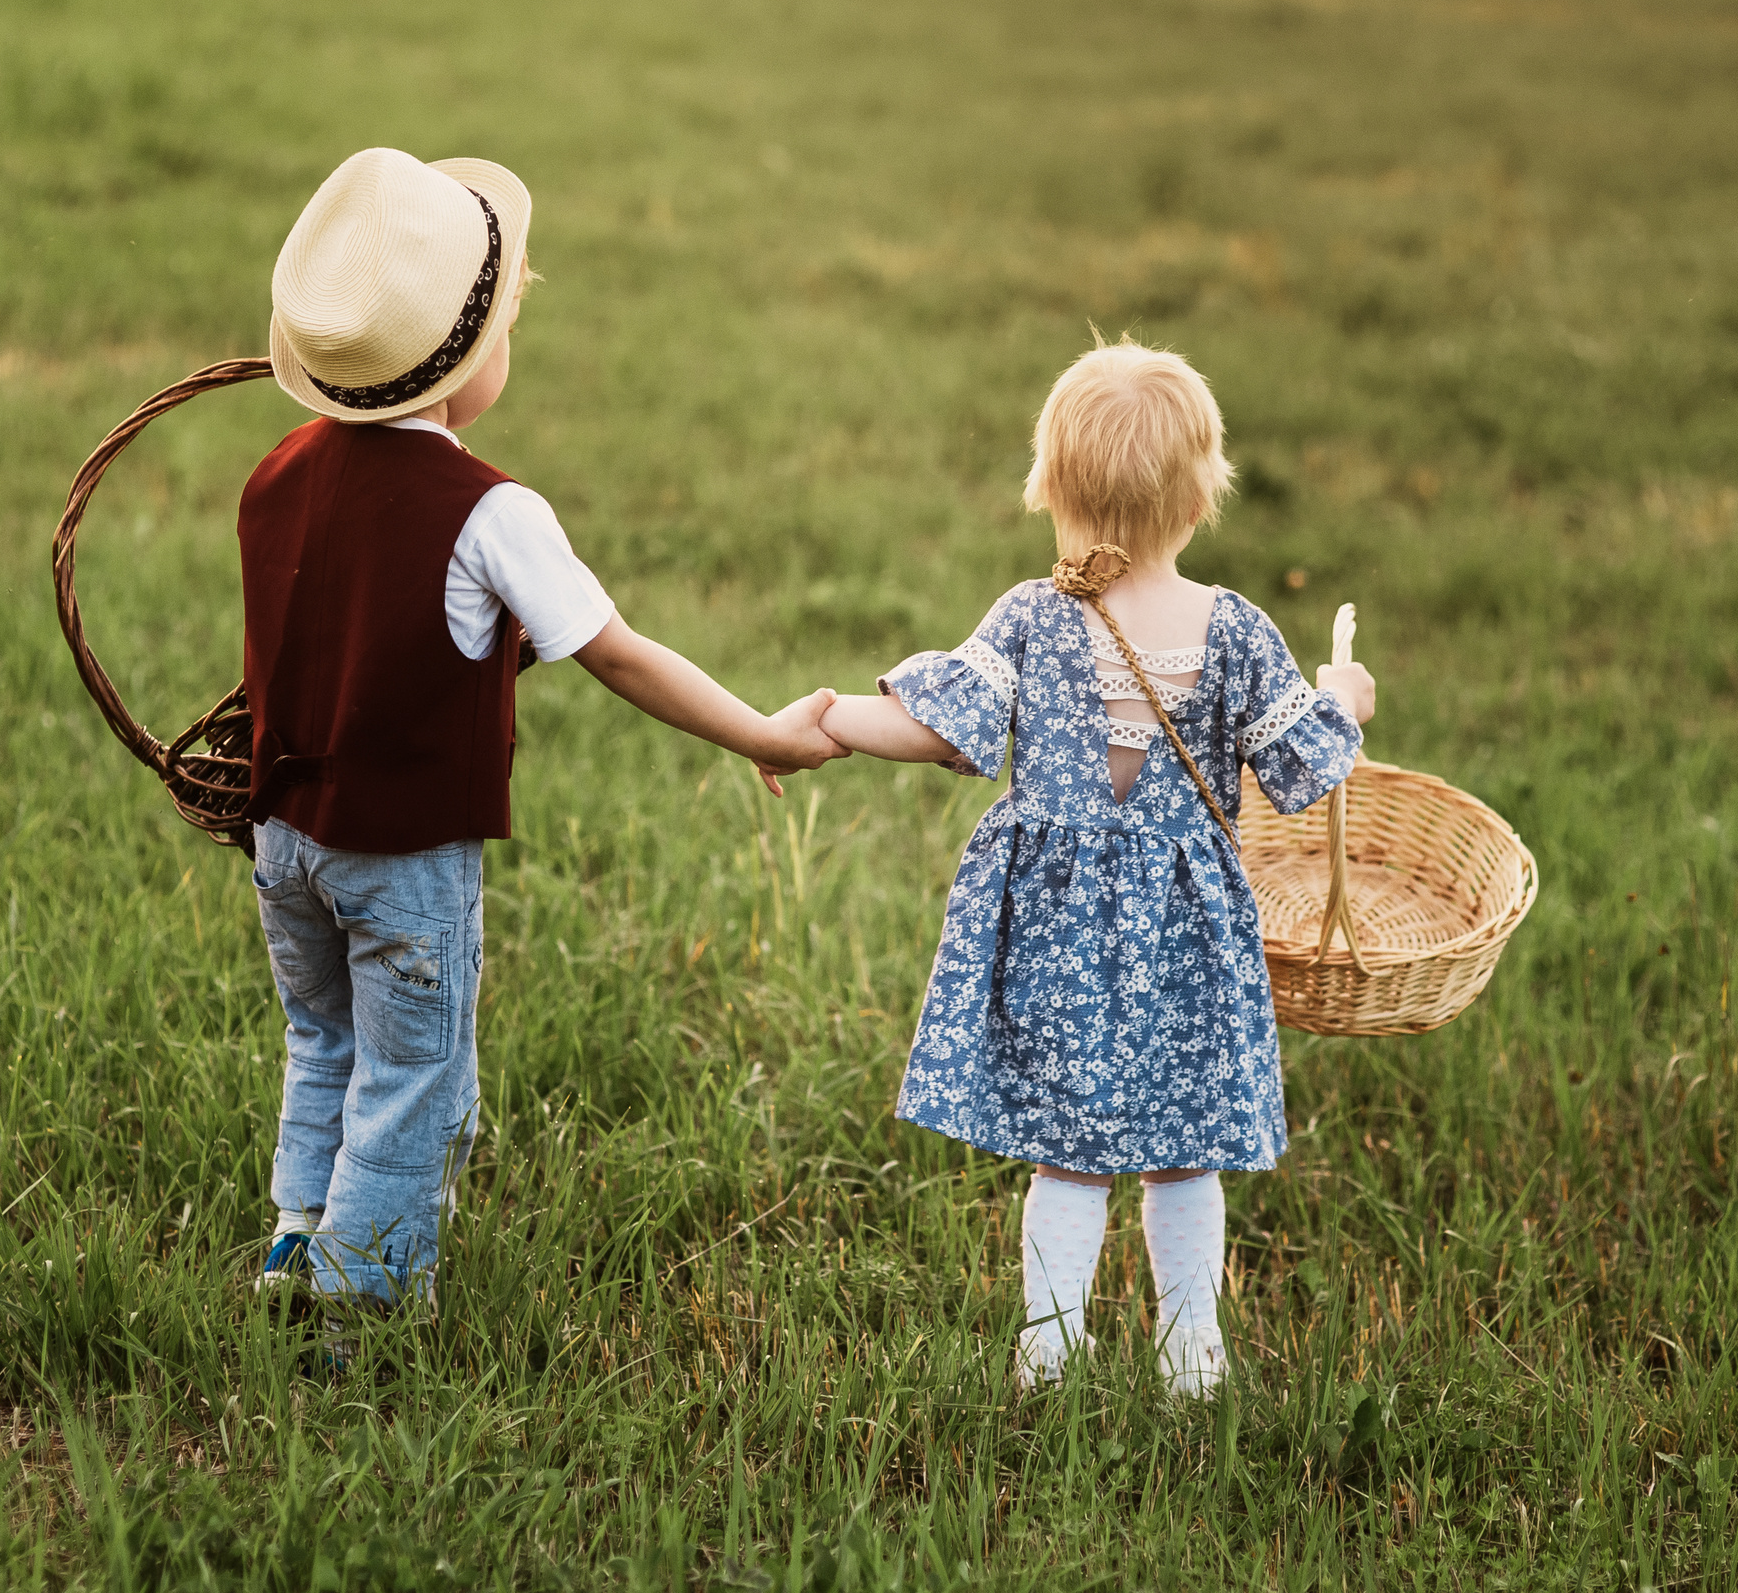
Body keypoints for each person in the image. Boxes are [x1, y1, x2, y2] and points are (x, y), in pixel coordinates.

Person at [241, 147, 844, 1315]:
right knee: (412, 1073)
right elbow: (617, 651)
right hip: (401, 857)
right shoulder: (491, 513)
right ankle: (355, 1313)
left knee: (323, 1041)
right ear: (468, 366)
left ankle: (291, 1242)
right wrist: (761, 735)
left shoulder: (275, 472)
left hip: (284, 842)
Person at [814, 340, 1376, 1395]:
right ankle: (1189, 1353)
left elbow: (938, 728)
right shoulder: (1236, 630)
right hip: (1186, 929)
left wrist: (828, 719)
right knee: (1184, 1144)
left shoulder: (1032, 614)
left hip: (1056, 925)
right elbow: (1307, 761)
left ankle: (1048, 1350)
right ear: (1202, 495)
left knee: (1066, 1150)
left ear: (1051, 484)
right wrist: (1346, 693)